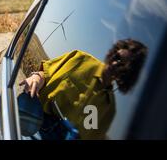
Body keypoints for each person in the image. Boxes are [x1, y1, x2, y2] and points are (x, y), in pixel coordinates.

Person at [19, 39, 147, 139]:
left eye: (122, 65)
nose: (114, 64)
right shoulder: (80, 59)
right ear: (114, 51)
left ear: (126, 74)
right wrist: (35, 78)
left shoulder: (108, 110)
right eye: (117, 57)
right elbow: (45, 74)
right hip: (35, 123)